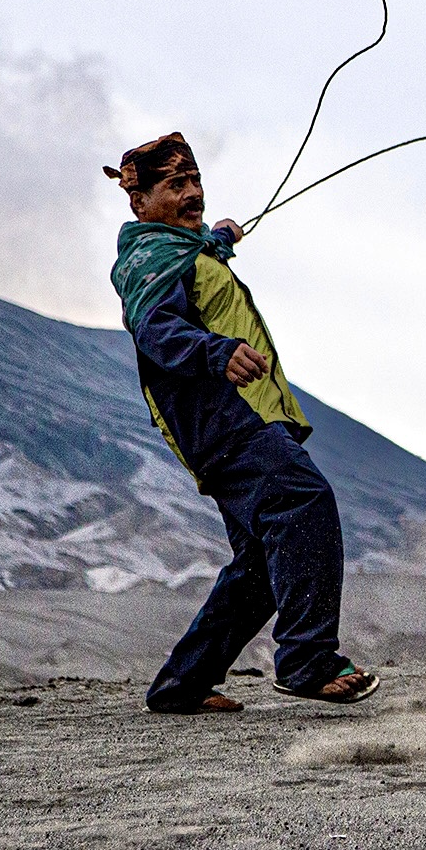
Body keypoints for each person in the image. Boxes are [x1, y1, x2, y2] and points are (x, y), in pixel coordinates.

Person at [104, 131, 378, 712]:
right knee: (304, 502)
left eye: (195, 180)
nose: (192, 193)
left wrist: (221, 237)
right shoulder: (149, 263)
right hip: (225, 422)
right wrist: (217, 352)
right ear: (140, 202)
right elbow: (156, 331)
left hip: (242, 418)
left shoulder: (184, 250)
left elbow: (202, 250)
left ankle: (182, 685)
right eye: (175, 184)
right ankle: (307, 660)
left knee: (257, 565)